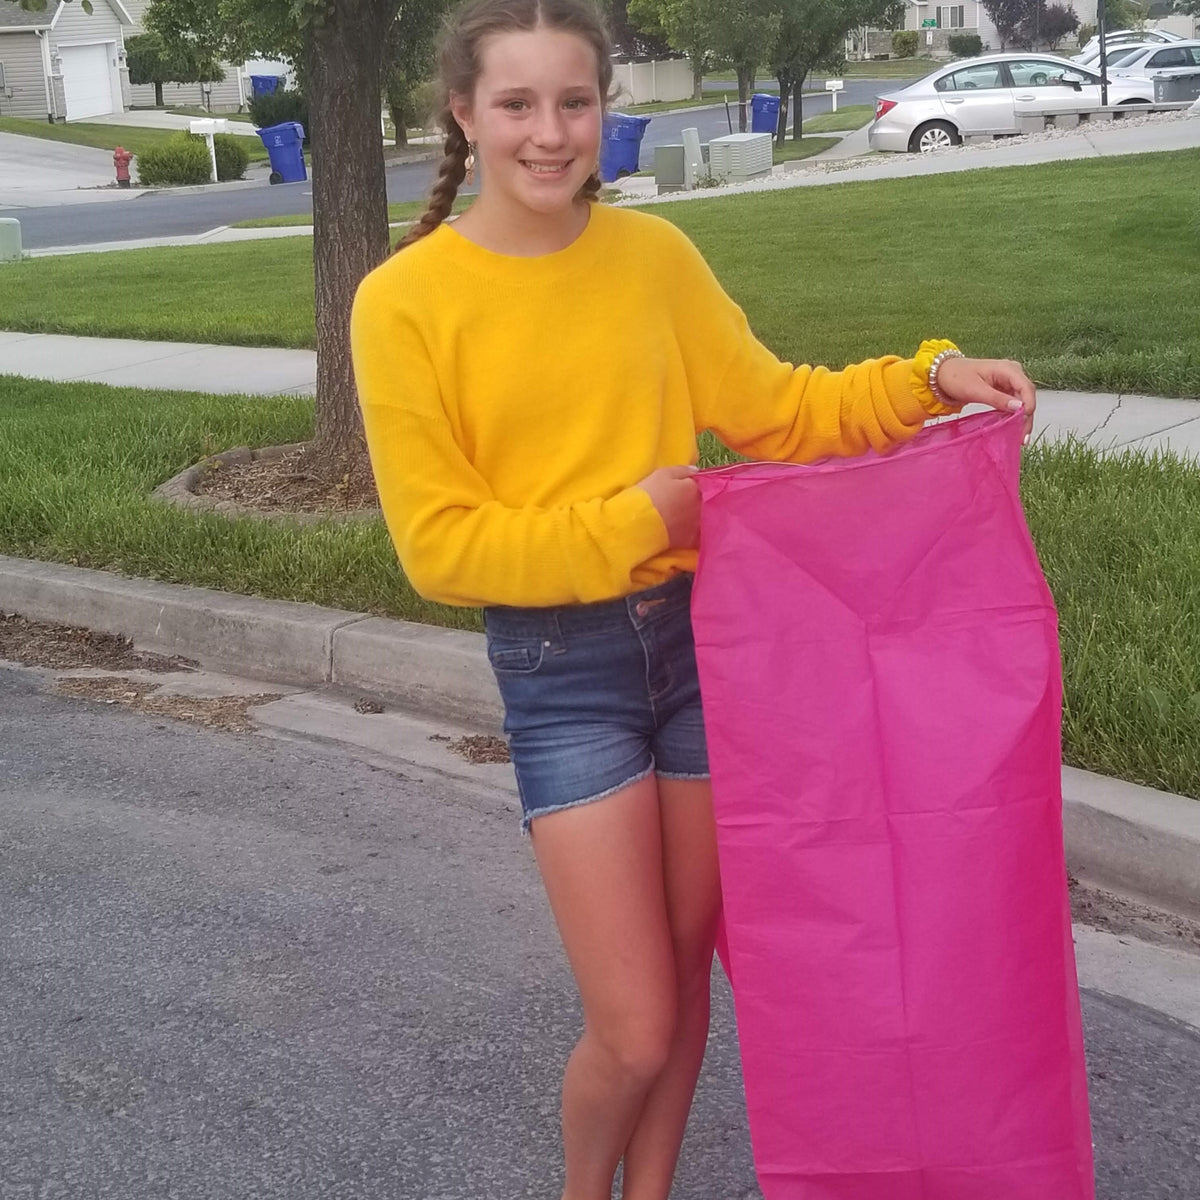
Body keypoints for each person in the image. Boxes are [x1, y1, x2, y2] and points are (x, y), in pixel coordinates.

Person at [350, 2, 1036, 1196]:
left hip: (702, 653)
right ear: (462, 114)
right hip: (562, 675)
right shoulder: (403, 302)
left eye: (576, 101)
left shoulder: (654, 260)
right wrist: (639, 524)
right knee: (635, 1027)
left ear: (605, 108)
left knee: (681, 978)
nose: (552, 133)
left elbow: (785, 407)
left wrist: (930, 378)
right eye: (518, 104)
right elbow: (443, 550)